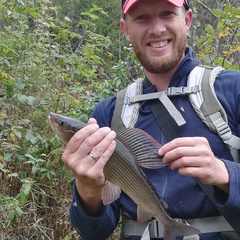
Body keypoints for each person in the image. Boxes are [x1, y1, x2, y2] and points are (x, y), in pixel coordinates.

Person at [61, 0, 240, 239]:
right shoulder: (108, 113)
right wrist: (86, 188)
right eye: (142, 18)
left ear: (186, 21)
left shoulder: (232, 90)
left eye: (167, 14)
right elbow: (93, 232)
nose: (156, 29)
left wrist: (224, 173)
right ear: (126, 30)